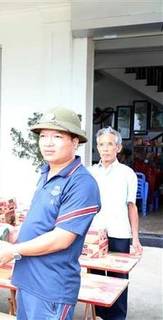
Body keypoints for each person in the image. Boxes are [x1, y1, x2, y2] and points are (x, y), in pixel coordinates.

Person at [0, 107, 101, 320]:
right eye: (43, 136)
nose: (48, 143)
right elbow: (43, 221)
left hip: (51, 287)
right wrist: (15, 232)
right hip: (28, 280)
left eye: (57, 136)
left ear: (75, 142)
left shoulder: (81, 183)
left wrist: (14, 250)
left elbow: (61, 239)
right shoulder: (47, 173)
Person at [88, 127, 143, 320]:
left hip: (119, 233)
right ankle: (99, 315)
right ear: (97, 147)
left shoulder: (127, 174)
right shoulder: (90, 173)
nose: (105, 149)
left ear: (118, 148)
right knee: (95, 278)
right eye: (101, 144)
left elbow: (131, 207)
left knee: (118, 279)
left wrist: (135, 238)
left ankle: (117, 317)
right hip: (95, 235)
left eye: (110, 144)